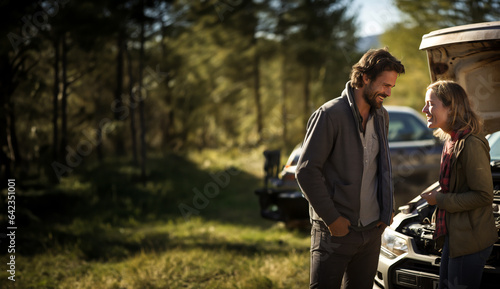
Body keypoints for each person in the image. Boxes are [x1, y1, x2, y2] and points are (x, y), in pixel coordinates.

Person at [295, 47, 405, 289]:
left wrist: (386, 211)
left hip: (372, 231)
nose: (388, 93)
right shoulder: (329, 115)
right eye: (385, 85)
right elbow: (306, 171)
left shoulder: (382, 116)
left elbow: (383, 167)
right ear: (365, 77)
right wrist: (333, 219)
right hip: (335, 232)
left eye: (391, 88)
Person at [420, 80, 497, 289]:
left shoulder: (470, 144)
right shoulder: (452, 141)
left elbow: (483, 196)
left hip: (470, 240)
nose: (424, 109)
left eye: (431, 104)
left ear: (451, 107)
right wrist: (436, 194)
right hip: (455, 237)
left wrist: (440, 199)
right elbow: (456, 185)